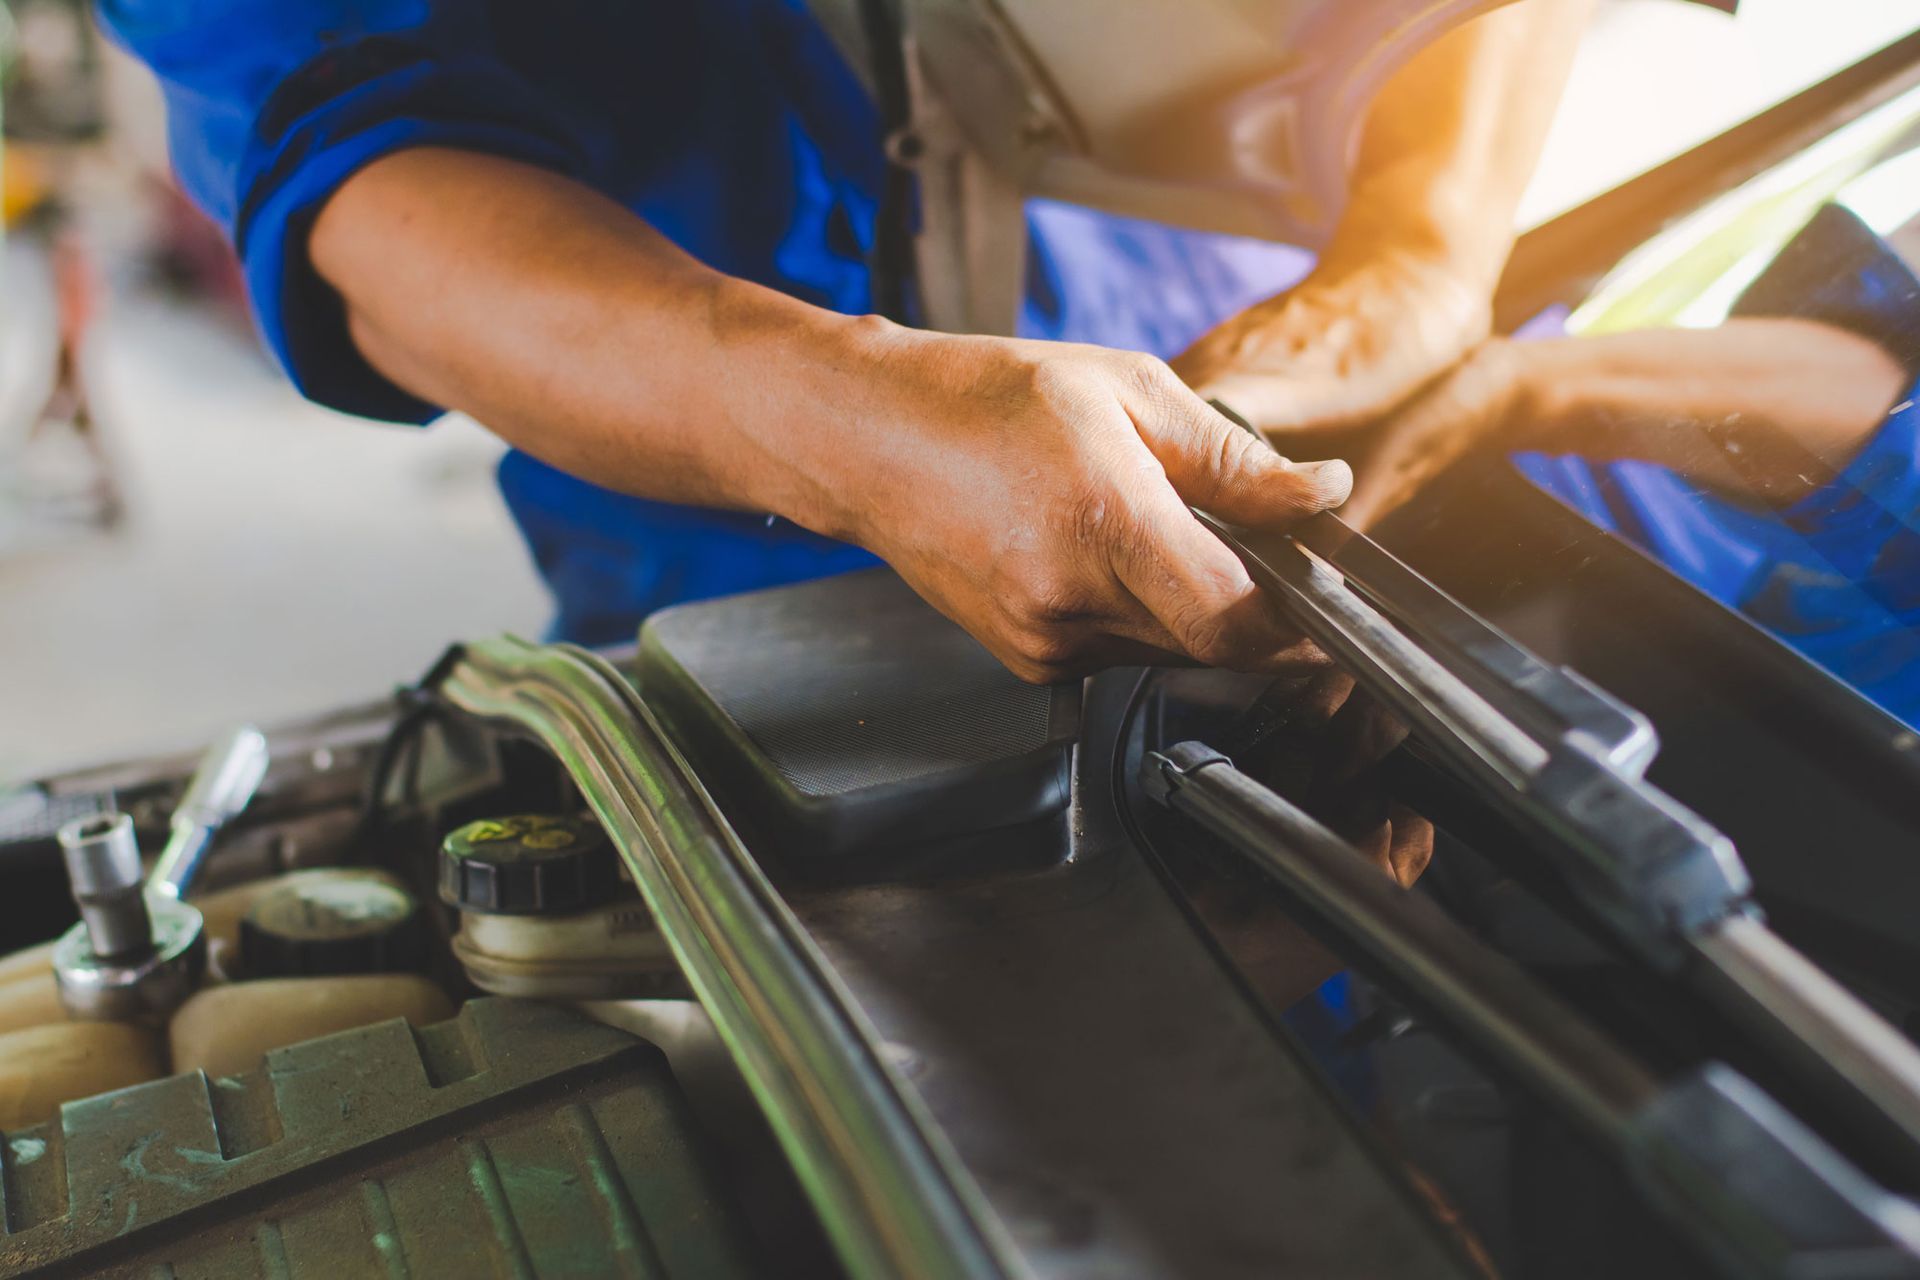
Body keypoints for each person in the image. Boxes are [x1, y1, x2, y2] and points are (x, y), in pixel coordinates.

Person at [96, 0, 1588, 680]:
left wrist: (1422, 257)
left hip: (1359, 380)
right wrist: (856, 428)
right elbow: (365, 180)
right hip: (783, 538)